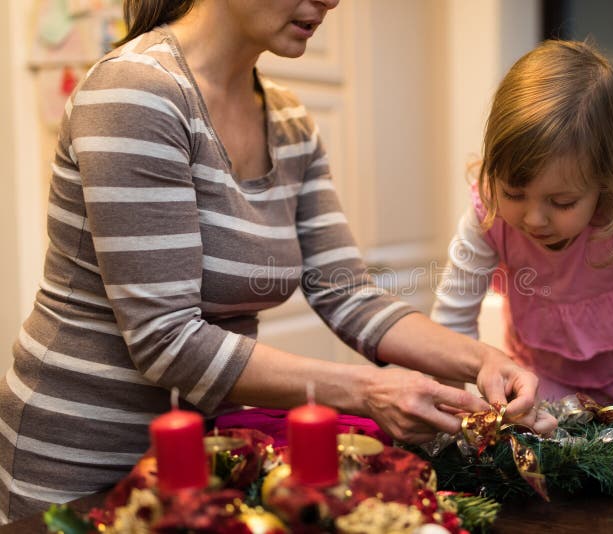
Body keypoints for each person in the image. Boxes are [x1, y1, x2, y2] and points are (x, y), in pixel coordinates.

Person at [0, 0, 549, 523]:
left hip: (199, 454)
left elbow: (346, 292)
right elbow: (165, 339)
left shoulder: (287, 120)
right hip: (79, 456)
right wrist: (370, 391)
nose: (331, 2)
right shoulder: (137, 92)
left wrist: (479, 360)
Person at [431, 40, 613, 480]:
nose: (533, 217)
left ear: (605, 182)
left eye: (562, 200)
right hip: (547, 392)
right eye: (515, 193)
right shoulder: (488, 210)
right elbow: (451, 322)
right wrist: (447, 421)